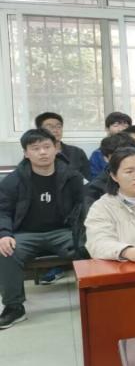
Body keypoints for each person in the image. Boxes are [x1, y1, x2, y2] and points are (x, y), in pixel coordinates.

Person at [0, 129, 85, 328]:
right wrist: (4, 234)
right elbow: (2, 210)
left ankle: (95, 296)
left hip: (63, 232)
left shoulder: (72, 176)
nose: (42, 152)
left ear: (56, 148)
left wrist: (83, 231)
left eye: (47, 146)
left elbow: (84, 205)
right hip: (25, 234)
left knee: (92, 245)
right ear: (25, 153)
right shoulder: (13, 180)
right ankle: (14, 307)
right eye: (35, 148)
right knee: (5, 251)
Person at [84, 134, 135, 216]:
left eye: (129, 155)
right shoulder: (94, 188)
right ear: (106, 158)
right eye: (117, 156)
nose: (125, 160)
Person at [35, 112, 89, 179]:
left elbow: (87, 179)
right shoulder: (34, 154)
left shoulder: (77, 152)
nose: (55, 130)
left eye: (59, 126)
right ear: (39, 131)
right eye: (49, 127)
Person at [88, 111, 132, 178]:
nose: (121, 129)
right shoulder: (98, 154)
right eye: (116, 125)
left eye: (125, 126)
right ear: (107, 129)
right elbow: (94, 178)